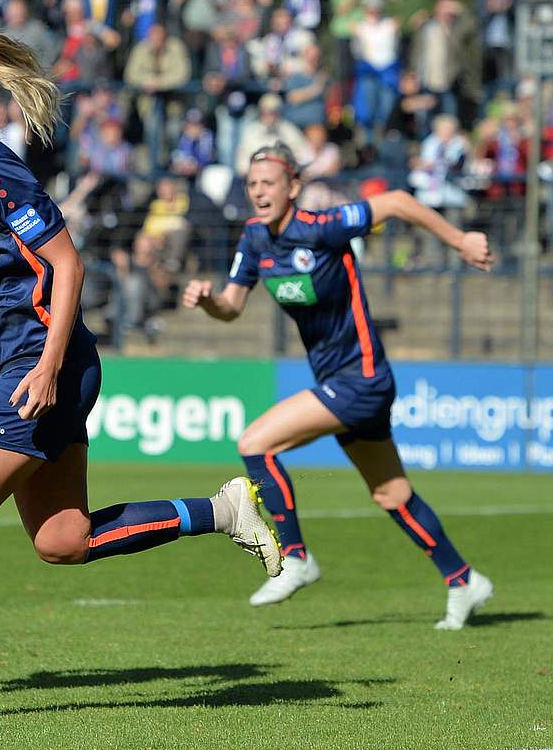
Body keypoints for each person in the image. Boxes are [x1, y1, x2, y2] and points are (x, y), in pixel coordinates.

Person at [0, 33, 282, 720]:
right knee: (62, 540)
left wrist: (44, 367)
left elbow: (64, 264)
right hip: (38, 360)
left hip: (48, 363)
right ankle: (224, 511)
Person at [181, 143, 495, 629]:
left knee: (255, 442)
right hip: (341, 382)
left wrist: (459, 241)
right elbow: (232, 305)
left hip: (362, 379)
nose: (260, 192)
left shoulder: (321, 227)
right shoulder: (254, 240)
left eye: (269, 182)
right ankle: (462, 579)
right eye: (253, 184)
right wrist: (206, 302)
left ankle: (296, 557)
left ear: (294, 187)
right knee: (392, 495)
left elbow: (395, 202)